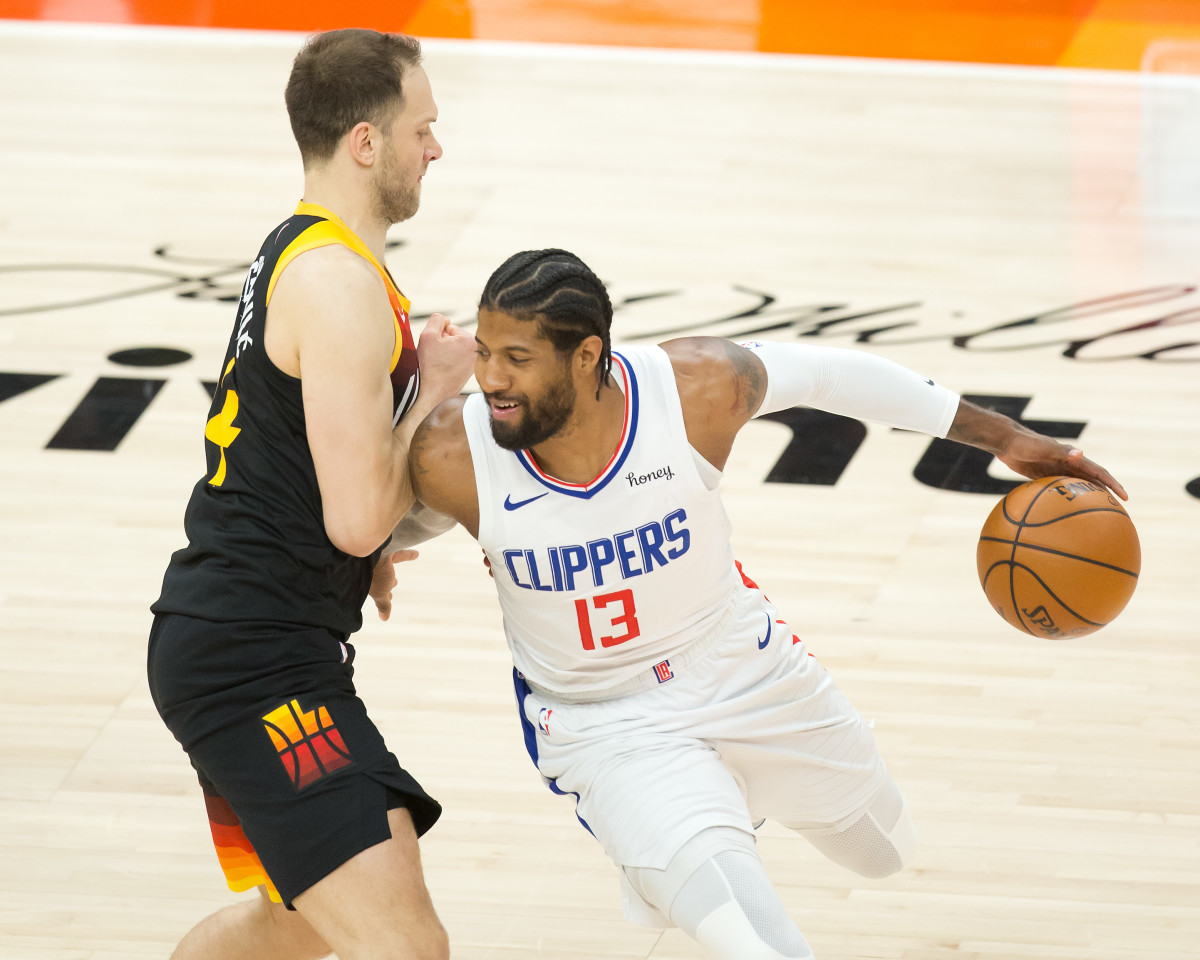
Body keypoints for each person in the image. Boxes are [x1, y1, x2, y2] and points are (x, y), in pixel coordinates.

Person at [403, 248, 1127, 960]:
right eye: (486, 350)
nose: (490, 377)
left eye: (517, 358)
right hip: (609, 726)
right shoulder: (453, 452)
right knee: (759, 944)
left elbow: (831, 374)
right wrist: (368, 565)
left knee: (883, 849)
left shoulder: (693, 389)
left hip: (741, 664)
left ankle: (718, 806)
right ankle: (675, 831)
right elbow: (362, 526)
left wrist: (1004, 436)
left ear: (586, 356)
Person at [147, 29, 474, 960]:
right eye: (424, 127)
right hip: (254, 665)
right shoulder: (335, 284)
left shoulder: (310, 248)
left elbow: (293, 458)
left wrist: (355, 552)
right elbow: (359, 514)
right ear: (366, 142)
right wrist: (439, 394)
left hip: (247, 638)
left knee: (289, 925)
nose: (436, 148)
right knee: (407, 945)